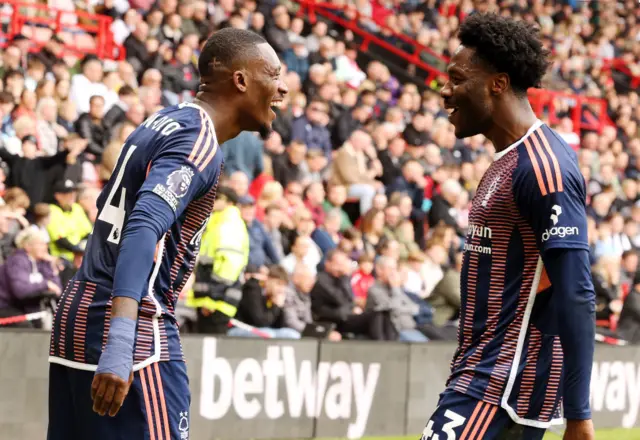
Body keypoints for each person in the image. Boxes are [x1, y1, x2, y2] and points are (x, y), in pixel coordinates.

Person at [47, 28, 288, 440]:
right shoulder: (198, 140)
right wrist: (122, 339)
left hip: (78, 310)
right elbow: (142, 227)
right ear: (242, 81)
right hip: (130, 321)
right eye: (274, 74)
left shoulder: (166, 120)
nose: (282, 89)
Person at [422, 15, 595, 440]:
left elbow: (576, 292)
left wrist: (579, 414)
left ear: (497, 84)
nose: (445, 91)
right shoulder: (507, 162)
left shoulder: (543, 167)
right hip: (480, 375)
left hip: (502, 385)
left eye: (457, 79)